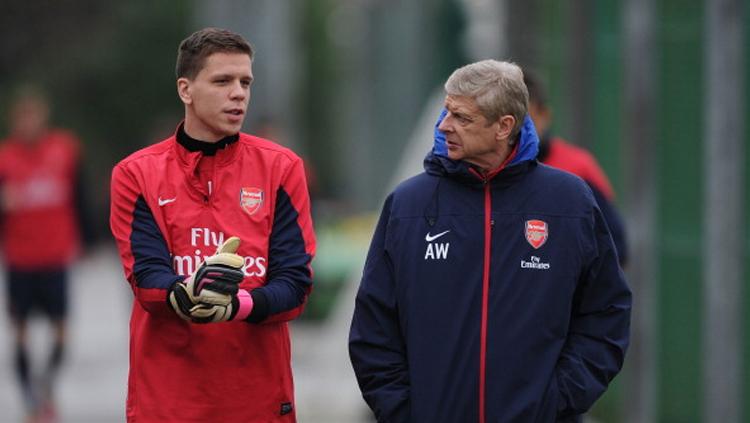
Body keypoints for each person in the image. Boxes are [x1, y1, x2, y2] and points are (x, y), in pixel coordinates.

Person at [349, 60, 631, 422]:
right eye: (446, 111)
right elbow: (373, 325)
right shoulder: (408, 205)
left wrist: (557, 401)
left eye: (462, 118)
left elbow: (606, 312)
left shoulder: (570, 202)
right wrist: (406, 411)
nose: (444, 125)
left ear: (504, 127)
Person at [109, 28, 316, 422]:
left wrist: (237, 305)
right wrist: (188, 294)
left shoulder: (282, 168)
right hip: (166, 404)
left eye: (245, 82)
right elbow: (147, 279)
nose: (238, 93)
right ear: (185, 90)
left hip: (258, 402)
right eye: (222, 81)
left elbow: (295, 284)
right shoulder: (135, 174)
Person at [0, 86, 91, 423]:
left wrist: (88, 239)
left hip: (55, 256)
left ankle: (46, 384)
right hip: (20, 260)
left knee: (61, 331)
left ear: (44, 116)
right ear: (13, 121)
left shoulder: (65, 149)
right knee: (20, 331)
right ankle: (30, 401)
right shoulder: (5, 158)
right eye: (22, 117)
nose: (28, 123)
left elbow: (79, 196)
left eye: (33, 115)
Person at [524, 71, 628, 266]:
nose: (513, 128)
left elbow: (615, 247)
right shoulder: (484, 173)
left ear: (545, 115)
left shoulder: (577, 168)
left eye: (524, 118)